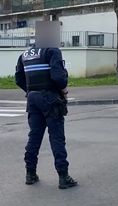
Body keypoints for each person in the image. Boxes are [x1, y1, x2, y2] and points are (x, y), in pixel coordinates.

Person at [15, 45, 78, 189]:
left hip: (32, 99)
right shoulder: (52, 51)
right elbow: (58, 77)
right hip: (50, 98)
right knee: (57, 137)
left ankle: (30, 174)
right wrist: (64, 91)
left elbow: (18, 79)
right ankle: (63, 176)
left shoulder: (25, 54)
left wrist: (31, 90)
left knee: (34, 136)